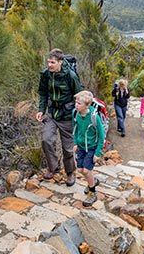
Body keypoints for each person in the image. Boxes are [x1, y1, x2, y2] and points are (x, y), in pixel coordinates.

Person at [36, 48, 81, 186]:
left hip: (67, 115)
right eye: (49, 62)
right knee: (46, 140)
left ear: (60, 62)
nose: (50, 65)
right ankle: (53, 168)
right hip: (51, 114)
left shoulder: (70, 76)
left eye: (53, 62)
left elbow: (78, 95)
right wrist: (41, 110)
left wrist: (79, 114)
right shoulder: (46, 74)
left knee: (68, 147)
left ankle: (70, 172)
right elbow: (43, 93)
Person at [72, 90, 106, 207]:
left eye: (79, 103)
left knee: (87, 171)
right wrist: (75, 143)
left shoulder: (94, 118)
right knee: (80, 170)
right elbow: (75, 130)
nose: (76, 105)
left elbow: (102, 136)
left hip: (92, 147)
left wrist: (97, 152)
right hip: (81, 147)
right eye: (76, 102)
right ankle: (94, 181)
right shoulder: (75, 114)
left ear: (87, 105)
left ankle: (92, 193)